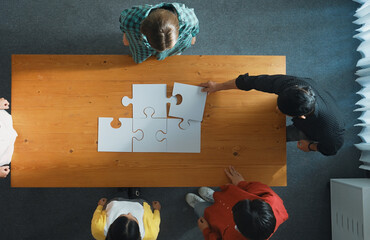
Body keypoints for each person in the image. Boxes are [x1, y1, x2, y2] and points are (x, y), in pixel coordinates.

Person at [200, 74, 345, 156]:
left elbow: (331, 150)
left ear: (300, 117)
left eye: (282, 111)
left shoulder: (331, 133)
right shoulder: (292, 83)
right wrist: (218, 86)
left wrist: (311, 146)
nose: (276, 108)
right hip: (316, 95)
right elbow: (250, 81)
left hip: (315, 128)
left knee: (277, 138)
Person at [186, 166, 288, 240]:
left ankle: (199, 204)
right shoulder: (272, 200)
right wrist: (241, 183)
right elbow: (257, 187)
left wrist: (206, 231)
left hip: (215, 219)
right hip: (226, 197)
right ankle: (213, 196)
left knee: (201, 209)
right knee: (218, 196)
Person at [119, 2, 199, 64]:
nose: (161, 51)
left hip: (172, 50)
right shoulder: (132, 20)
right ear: (143, 31)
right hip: (143, 50)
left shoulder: (190, 20)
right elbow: (193, 39)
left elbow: (126, 40)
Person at [91, 194, 161, 240]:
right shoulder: (151, 235)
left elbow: (97, 214)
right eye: (134, 218)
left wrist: (100, 206)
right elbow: (156, 219)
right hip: (139, 203)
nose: (129, 213)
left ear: (112, 227)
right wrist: (156, 210)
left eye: (121, 216)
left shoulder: (97, 229)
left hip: (118, 200)